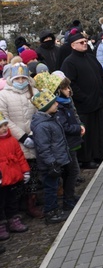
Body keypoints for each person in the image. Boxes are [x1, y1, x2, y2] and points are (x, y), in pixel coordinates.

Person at [61, 30, 103, 170]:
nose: (84, 44)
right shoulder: (69, 62)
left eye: (85, 42)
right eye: (81, 43)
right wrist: (83, 97)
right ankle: (87, 159)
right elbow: (71, 84)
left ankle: (100, 153)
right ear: (73, 45)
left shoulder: (90, 57)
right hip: (84, 104)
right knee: (87, 133)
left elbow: (100, 75)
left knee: (99, 129)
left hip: (97, 100)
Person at [0, 62, 43, 218]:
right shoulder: (3, 95)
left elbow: (40, 112)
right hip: (15, 141)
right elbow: (5, 119)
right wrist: (22, 136)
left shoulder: (34, 92)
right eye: (17, 79)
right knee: (18, 175)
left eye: (23, 78)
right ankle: (16, 207)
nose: (20, 81)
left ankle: (31, 202)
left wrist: (33, 132)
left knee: (33, 173)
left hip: (34, 137)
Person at [29, 89, 70, 224]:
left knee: (54, 186)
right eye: (53, 103)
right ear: (46, 107)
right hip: (49, 164)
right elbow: (44, 147)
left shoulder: (51, 119)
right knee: (50, 188)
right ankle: (50, 212)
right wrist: (52, 163)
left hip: (56, 161)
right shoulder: (42, 126)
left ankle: (54, 209)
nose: (57, 105)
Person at [47, 71, 83, 212]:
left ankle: (70, 196)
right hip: (67, 144)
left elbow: (74, 117)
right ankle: (68, 199)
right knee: (72, 171)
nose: (69, 90)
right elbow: (65, 126)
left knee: (72, 171)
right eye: (65, 88)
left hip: (72, 142)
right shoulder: (59, 108)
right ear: (58, 91)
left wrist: (80, 126)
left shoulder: (66, 103)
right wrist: (77, 128)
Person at [0, 113, 30, 238]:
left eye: (5, 125)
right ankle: (1, 225)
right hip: (2, 179)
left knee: (12, 200)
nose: (4, 128)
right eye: (1, 126)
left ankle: (13, 220)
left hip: (13, 176)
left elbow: (20, 157)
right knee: (0, 203)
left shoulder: (12, 140)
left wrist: (25, 171)